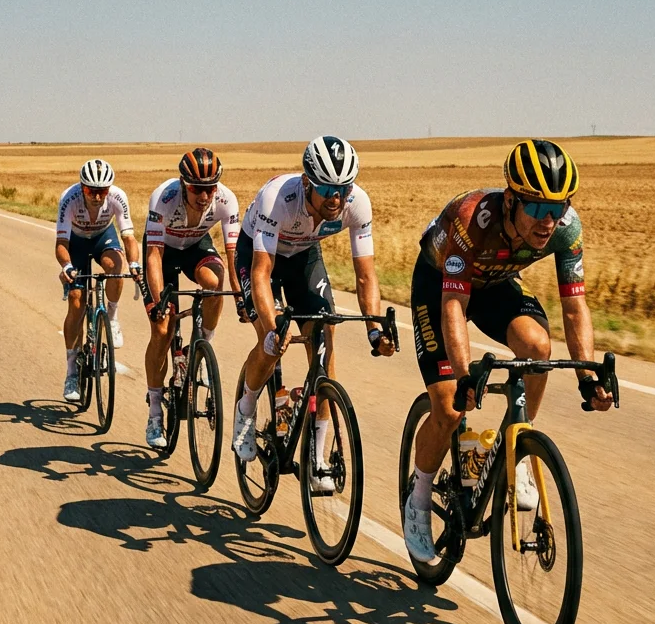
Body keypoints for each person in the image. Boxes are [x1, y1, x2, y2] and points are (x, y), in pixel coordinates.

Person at [401, 139, 615, 563]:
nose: (548, 221)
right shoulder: (472, 220)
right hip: (441, 286)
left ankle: (515, 449)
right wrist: (464, 377)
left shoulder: (567, 227)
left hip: (496, 284)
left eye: (557, 209)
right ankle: (418, 499)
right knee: (449, 409)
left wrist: (588, 377)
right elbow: (453, 305)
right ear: (512, 200)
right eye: (537, 208)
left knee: (537, 346)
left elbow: (574, 307)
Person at [231, 136, 396, 492]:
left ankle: (317, 458)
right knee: (272, 342)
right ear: (307, 182)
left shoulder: (357, 204)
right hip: (260, 256)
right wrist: (273, 324)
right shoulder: (278, 199)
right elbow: (260, 273)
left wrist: (374, 328)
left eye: (343, 188)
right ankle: (246, 408)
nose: (336, 198)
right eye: (327, 189)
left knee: (325, 339)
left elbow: (366, 274)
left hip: (304, 256)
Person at [140, 148, 241, 448]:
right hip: (163, 253)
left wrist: (240, 297)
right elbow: (154, 257)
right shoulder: (164, 198)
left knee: (215, 282)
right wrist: (159, 303)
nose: (204, 196)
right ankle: (156, 413)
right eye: (198, 189)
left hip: (195, 245)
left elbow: (233, 257)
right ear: (184, 184)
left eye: (210, 188)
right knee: (162, 330)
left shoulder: (226, 200)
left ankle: (201, 348)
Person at [56, 159, 140, 401]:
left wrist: (134, 263)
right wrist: (67, 265)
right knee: (75, 301)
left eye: (102, 191)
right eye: (91, 191)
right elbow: (61, 244)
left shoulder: (117, 197)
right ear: (82, 187)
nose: (96, 196)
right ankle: (72, 372)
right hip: (77, 241)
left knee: (116, 266)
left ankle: (111, 317)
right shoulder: (69, 199)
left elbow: (129, 237)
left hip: (104, 235)